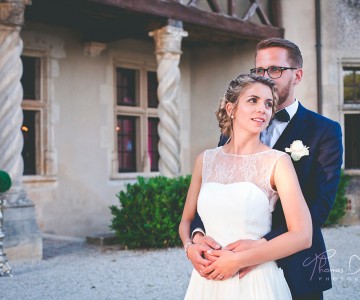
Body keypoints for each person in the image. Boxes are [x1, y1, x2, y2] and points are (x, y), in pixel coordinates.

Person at [189, 38, 343, 300]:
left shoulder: (324, 131)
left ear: (298, 75)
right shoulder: (229, 136)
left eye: (274, 70)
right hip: (225, 267)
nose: (265, 77)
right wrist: (197, 236)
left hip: (297, 264)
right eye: (258, 71)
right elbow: (215, 192)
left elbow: (319, 205)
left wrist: (260, 247)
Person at [179, 73, 312, 299]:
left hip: (255, 281)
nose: (263, 109)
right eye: (253, 100)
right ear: (231, 109)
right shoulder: (205, 159)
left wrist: (238, 260)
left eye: (268, 104)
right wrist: (190, 248)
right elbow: (186, 221)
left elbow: (302, 235)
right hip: (206, 282)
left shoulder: (277, 162)